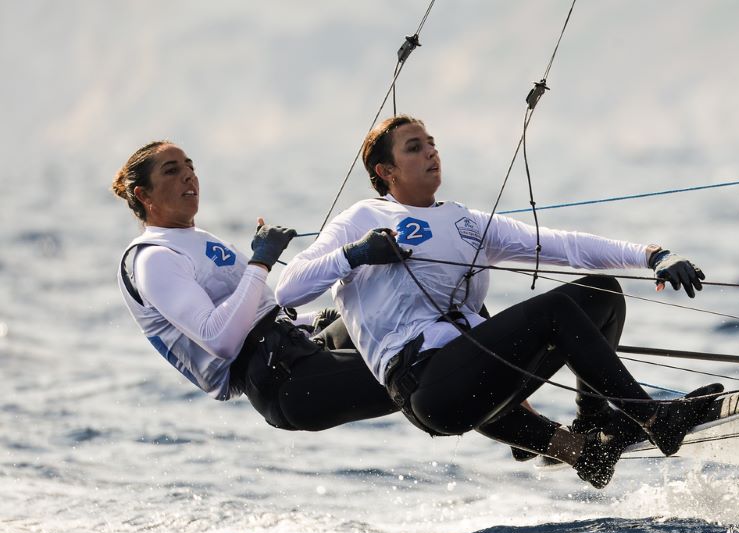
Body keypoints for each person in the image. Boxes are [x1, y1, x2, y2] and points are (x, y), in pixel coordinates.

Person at [274, 115, 723, 488]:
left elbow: (561, 245)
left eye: (432, 143)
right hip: (425, 385)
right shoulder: (363, 218)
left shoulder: (463, 220)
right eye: (414, 147)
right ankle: (654, 419)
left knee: (601, 292)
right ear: (386, 172)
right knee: (555, 312)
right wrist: (355, 254)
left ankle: (592, 424)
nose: (431, 152)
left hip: (473, 368)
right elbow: (289, 289)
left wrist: (652, 256)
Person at [110, 140, 621, 466]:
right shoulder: (153, 259)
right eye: (173, 171)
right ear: (142, 193)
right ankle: (562, 444)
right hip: (282, 382)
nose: (189, 177)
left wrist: (319, 313)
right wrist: (261, 263)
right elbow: (221, 339)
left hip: (298, 343)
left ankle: (530, 430)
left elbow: (265, 311)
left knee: (433, 319)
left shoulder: (192, 239)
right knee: (430, 368)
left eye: (191, 166)